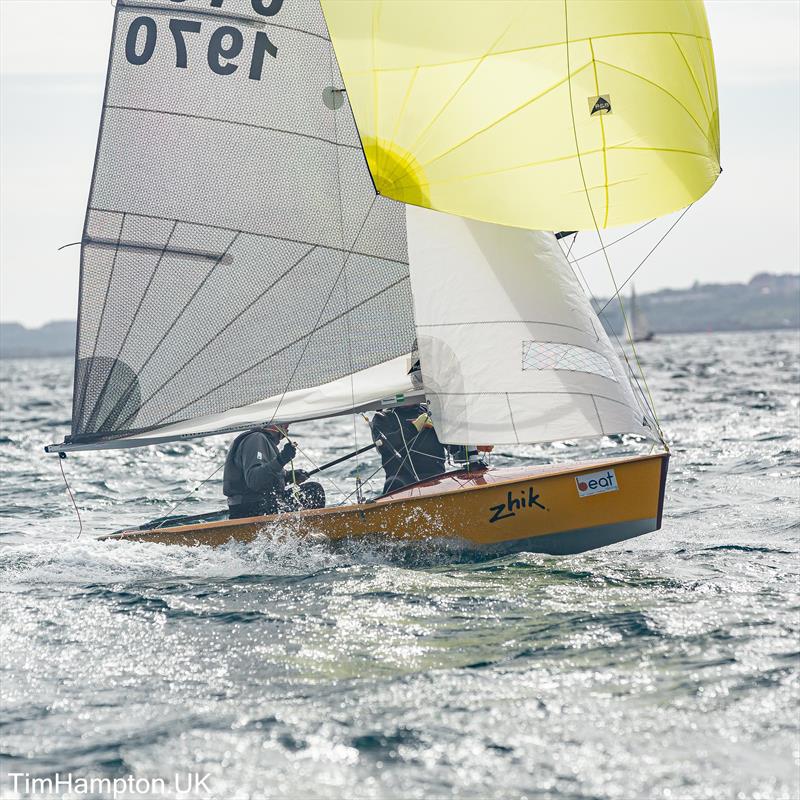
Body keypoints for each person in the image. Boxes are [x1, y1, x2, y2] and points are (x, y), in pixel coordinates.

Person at [370, 404, 493, 495]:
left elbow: (453, 446)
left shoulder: (431, 411)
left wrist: (474, 446)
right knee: (396, 483)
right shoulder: (382, 418)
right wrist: (414, 427)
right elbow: (384, 446)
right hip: (400, 483)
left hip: (436, 480)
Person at [223, 424, 325, 519]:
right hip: (250, 508)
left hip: (266, 503)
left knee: (313, 489)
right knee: (312, 492)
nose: (287, 429)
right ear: (275, 424)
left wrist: (288, 477)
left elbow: (267, 479)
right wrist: (282, 459)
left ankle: (309, 531)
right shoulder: (256, 438)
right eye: (285, 424)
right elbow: (254, 480)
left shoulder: (264, 440)